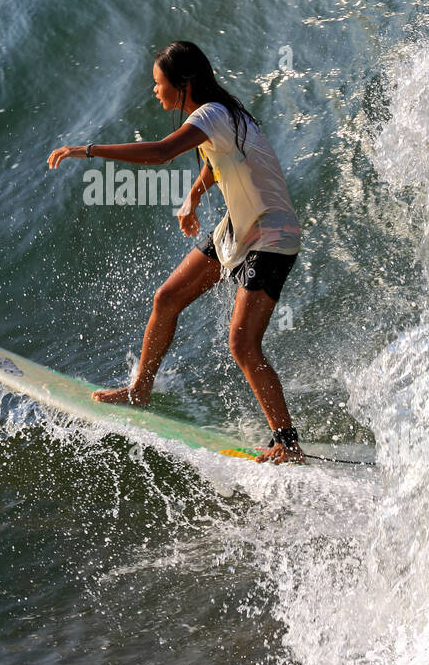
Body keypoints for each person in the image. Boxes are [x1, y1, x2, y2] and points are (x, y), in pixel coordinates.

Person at [46, 40, 306, 465]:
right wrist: (194, 195)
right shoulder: (217, 117)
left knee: (242, 343)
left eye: (158, 83)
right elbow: (216, 160)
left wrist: (88, 150)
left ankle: (287, 441)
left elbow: (162, 152)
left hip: (272, 236)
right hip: (240, 228)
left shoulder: (213, 113)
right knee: (167, 299)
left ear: (183, 84)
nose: (155, 90)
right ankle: (139, 391)